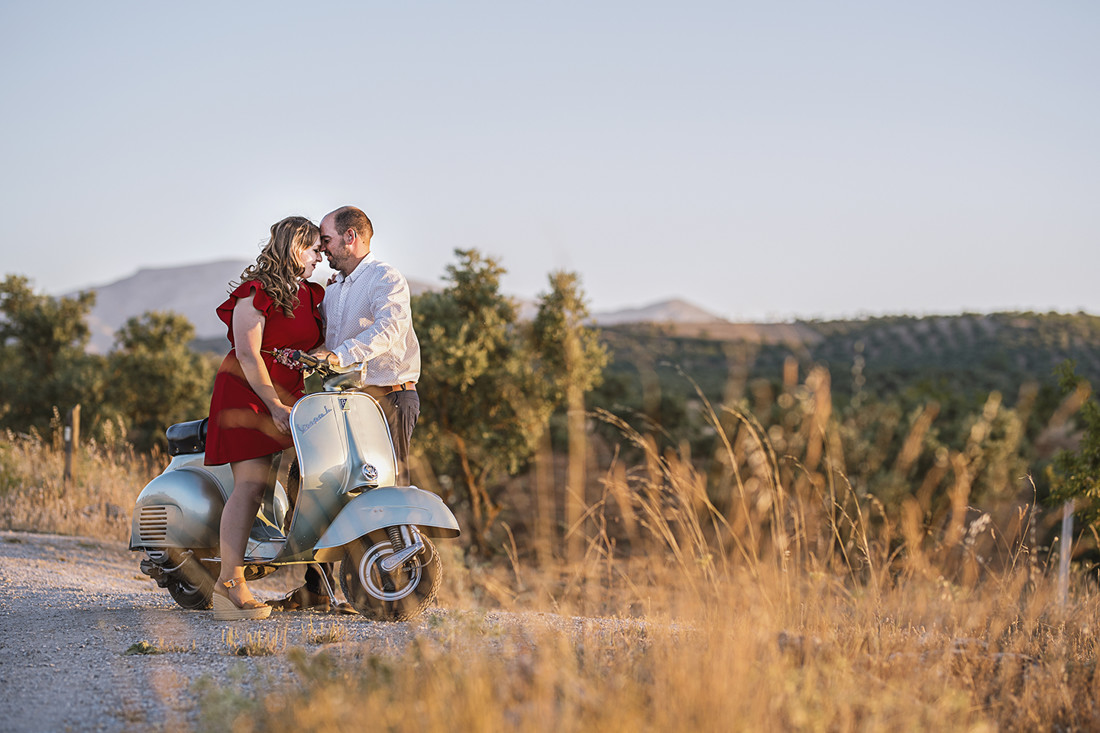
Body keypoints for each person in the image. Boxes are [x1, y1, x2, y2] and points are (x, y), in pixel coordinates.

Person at [268, 205, 421, 613]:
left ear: (351, 237)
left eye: (327, 239)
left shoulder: (386, 279)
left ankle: (392, 581)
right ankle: (317, 587)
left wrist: (338, 356)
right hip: (342, 402)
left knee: (385, 485)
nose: (322, 247)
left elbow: (390, 329)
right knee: (316, 481)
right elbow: (323, 343)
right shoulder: (332, 290)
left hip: (388, 396)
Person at [205, 216, 325, 621]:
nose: (320, 256)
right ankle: (229, 585)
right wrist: (274, 405)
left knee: (307, 480)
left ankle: (315, 581)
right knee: (252, 485)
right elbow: (247, 354)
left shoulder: (311, 294)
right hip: (249, 393)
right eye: (314, 249)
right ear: (295, 248)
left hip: (291, 399)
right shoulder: (254, 293)